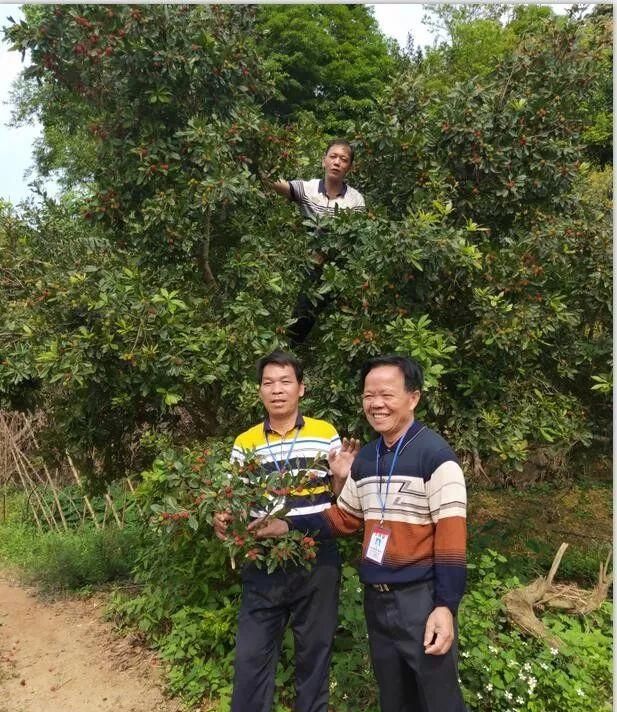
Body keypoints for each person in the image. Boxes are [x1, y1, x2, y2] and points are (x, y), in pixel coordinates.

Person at [253, 355, 468, 712]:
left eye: (386, 393)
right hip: (378, 600)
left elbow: (451, 540)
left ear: (413, 398)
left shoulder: (435, 457)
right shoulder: (367, 458)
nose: (376, 403)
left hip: (421, 598)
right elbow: (343, 518)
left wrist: (446, 606)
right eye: (369, 395)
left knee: (438, 699)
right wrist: (287, 525)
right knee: (394, 699)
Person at [213, 350, 360, 712]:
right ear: (260, 391)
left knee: (315, 655)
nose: (276, 390)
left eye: (285, 381)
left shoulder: (324, 433)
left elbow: (342, 504)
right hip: (263, 560)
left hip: (317, 557)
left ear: (301, 389)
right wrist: (221, 518)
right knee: (251, 657)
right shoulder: (245, 442)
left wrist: (341, 478)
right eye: (268, 383)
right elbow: (234, 501)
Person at [263, 140, 365, 346]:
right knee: (301, 317)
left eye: (343, 159)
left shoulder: (355, 200)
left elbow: (355, 238)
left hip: (341, 270)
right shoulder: (308, 189)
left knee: (346, 324)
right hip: (310, 267)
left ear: (350, 167)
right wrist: (260, 165)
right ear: (324, 161)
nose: (337, 162)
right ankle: (290, 350)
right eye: (333, 157)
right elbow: (279, 184)